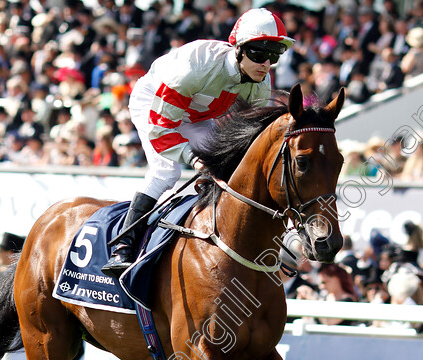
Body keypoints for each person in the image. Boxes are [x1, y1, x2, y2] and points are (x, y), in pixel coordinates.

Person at [102, 8, 296, 277]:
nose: (266, 63)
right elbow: (161, 130)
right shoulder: (194, 68)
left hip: (197, 115)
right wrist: (193, 158)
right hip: (155, 105)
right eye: (259, 53)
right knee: (167, 171)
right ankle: (123, 244)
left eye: (274, 56)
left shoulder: (260, 81)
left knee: (229, 168)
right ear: (238, 48)